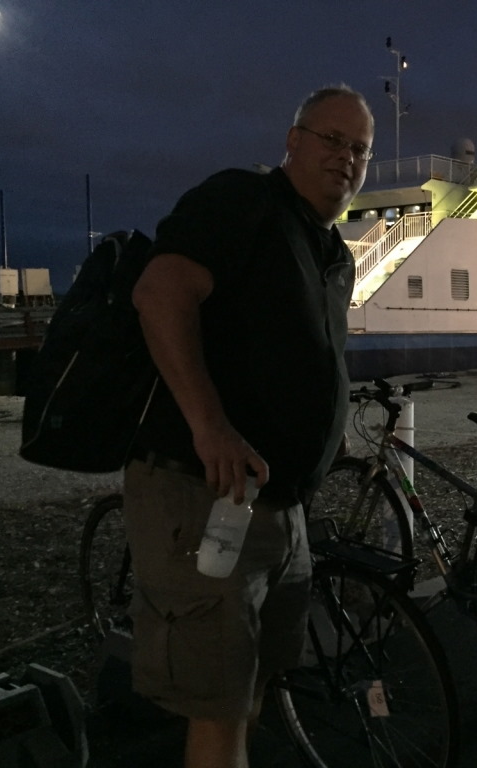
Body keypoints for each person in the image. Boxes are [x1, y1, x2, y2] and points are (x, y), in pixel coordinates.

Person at [124, 84, 374, 768]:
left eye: (360, 148)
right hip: (206, 495)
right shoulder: (245, 200)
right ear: (293, 140)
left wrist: (325, 430)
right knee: (218, 710)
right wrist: (209, 425)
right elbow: (160, 291)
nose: (346, 157)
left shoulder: (334, 254)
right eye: (332, 139)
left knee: (257, 685)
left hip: (283, 510)